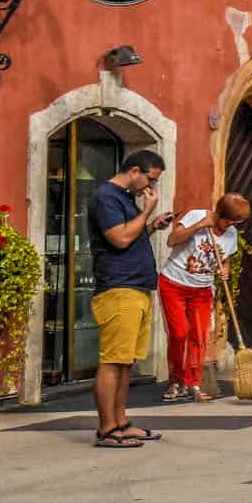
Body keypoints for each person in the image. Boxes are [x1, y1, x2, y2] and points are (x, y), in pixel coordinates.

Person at [87, 149, 170, 449]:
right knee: (112, 361)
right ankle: (106, 429)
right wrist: (147, 211)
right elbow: (119, 239)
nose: (152, 188)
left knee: (125, 363)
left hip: (136, 288)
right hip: (118, 288)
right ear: (134, 171)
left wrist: (150, 226)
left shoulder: (124, 199)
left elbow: (130, 235)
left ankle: (121, 423)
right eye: (150, 179)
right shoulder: (106, 197)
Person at [158, 192, 246, 403]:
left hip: (202, 289)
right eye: (230, 221)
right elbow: (172, 240)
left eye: (236, 222)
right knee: (179, 334)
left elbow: (225, 259)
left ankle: (193, 383)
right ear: (221, 215)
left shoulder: (231, 234)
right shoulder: (196, 216)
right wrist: (198, 225)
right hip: (174, 284)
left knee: (198, 336)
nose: (231, 225)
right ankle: (176, 381)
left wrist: (224, 269)